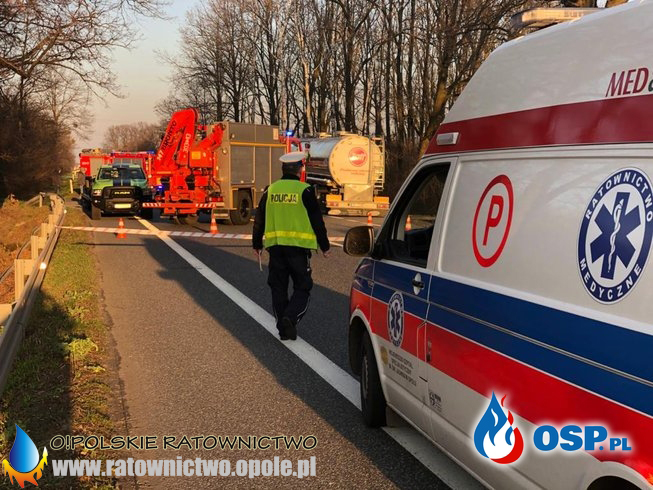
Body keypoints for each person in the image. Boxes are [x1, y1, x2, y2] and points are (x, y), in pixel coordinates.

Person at [252, 151, 330, 341]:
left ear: (283, 169)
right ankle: (290, 317)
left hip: (276, 248)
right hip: (298, 250)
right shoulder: (306, 190)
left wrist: (257, 244)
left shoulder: (270, 190)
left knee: (278, 288)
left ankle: (283, 329)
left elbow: (259, 219)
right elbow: (316, 220)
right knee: (303, 287)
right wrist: (324, 245)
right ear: (300, 170)